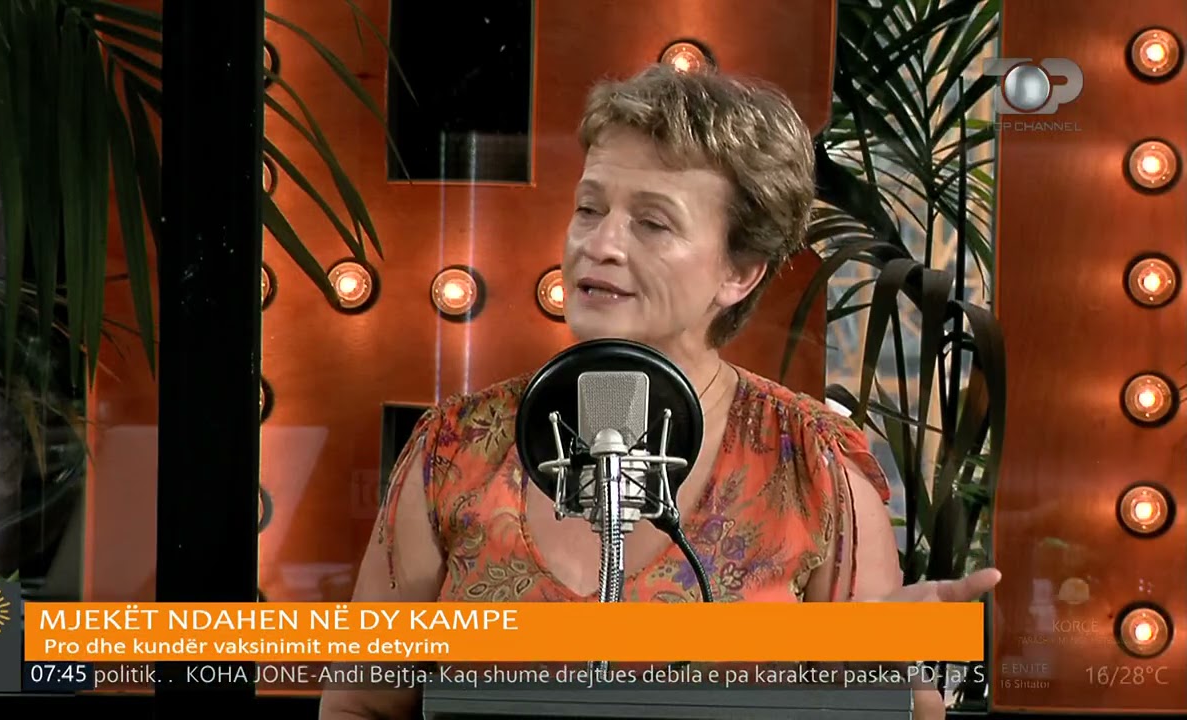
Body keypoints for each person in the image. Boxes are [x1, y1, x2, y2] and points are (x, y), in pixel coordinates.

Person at [319, 63, 1000, 720]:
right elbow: (359, 704)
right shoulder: (455, 449)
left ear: (739, 272)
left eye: (652, 222)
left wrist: (898, 687)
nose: (600, 244)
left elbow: (890, 710)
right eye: (589, 209)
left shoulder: (814, 466)